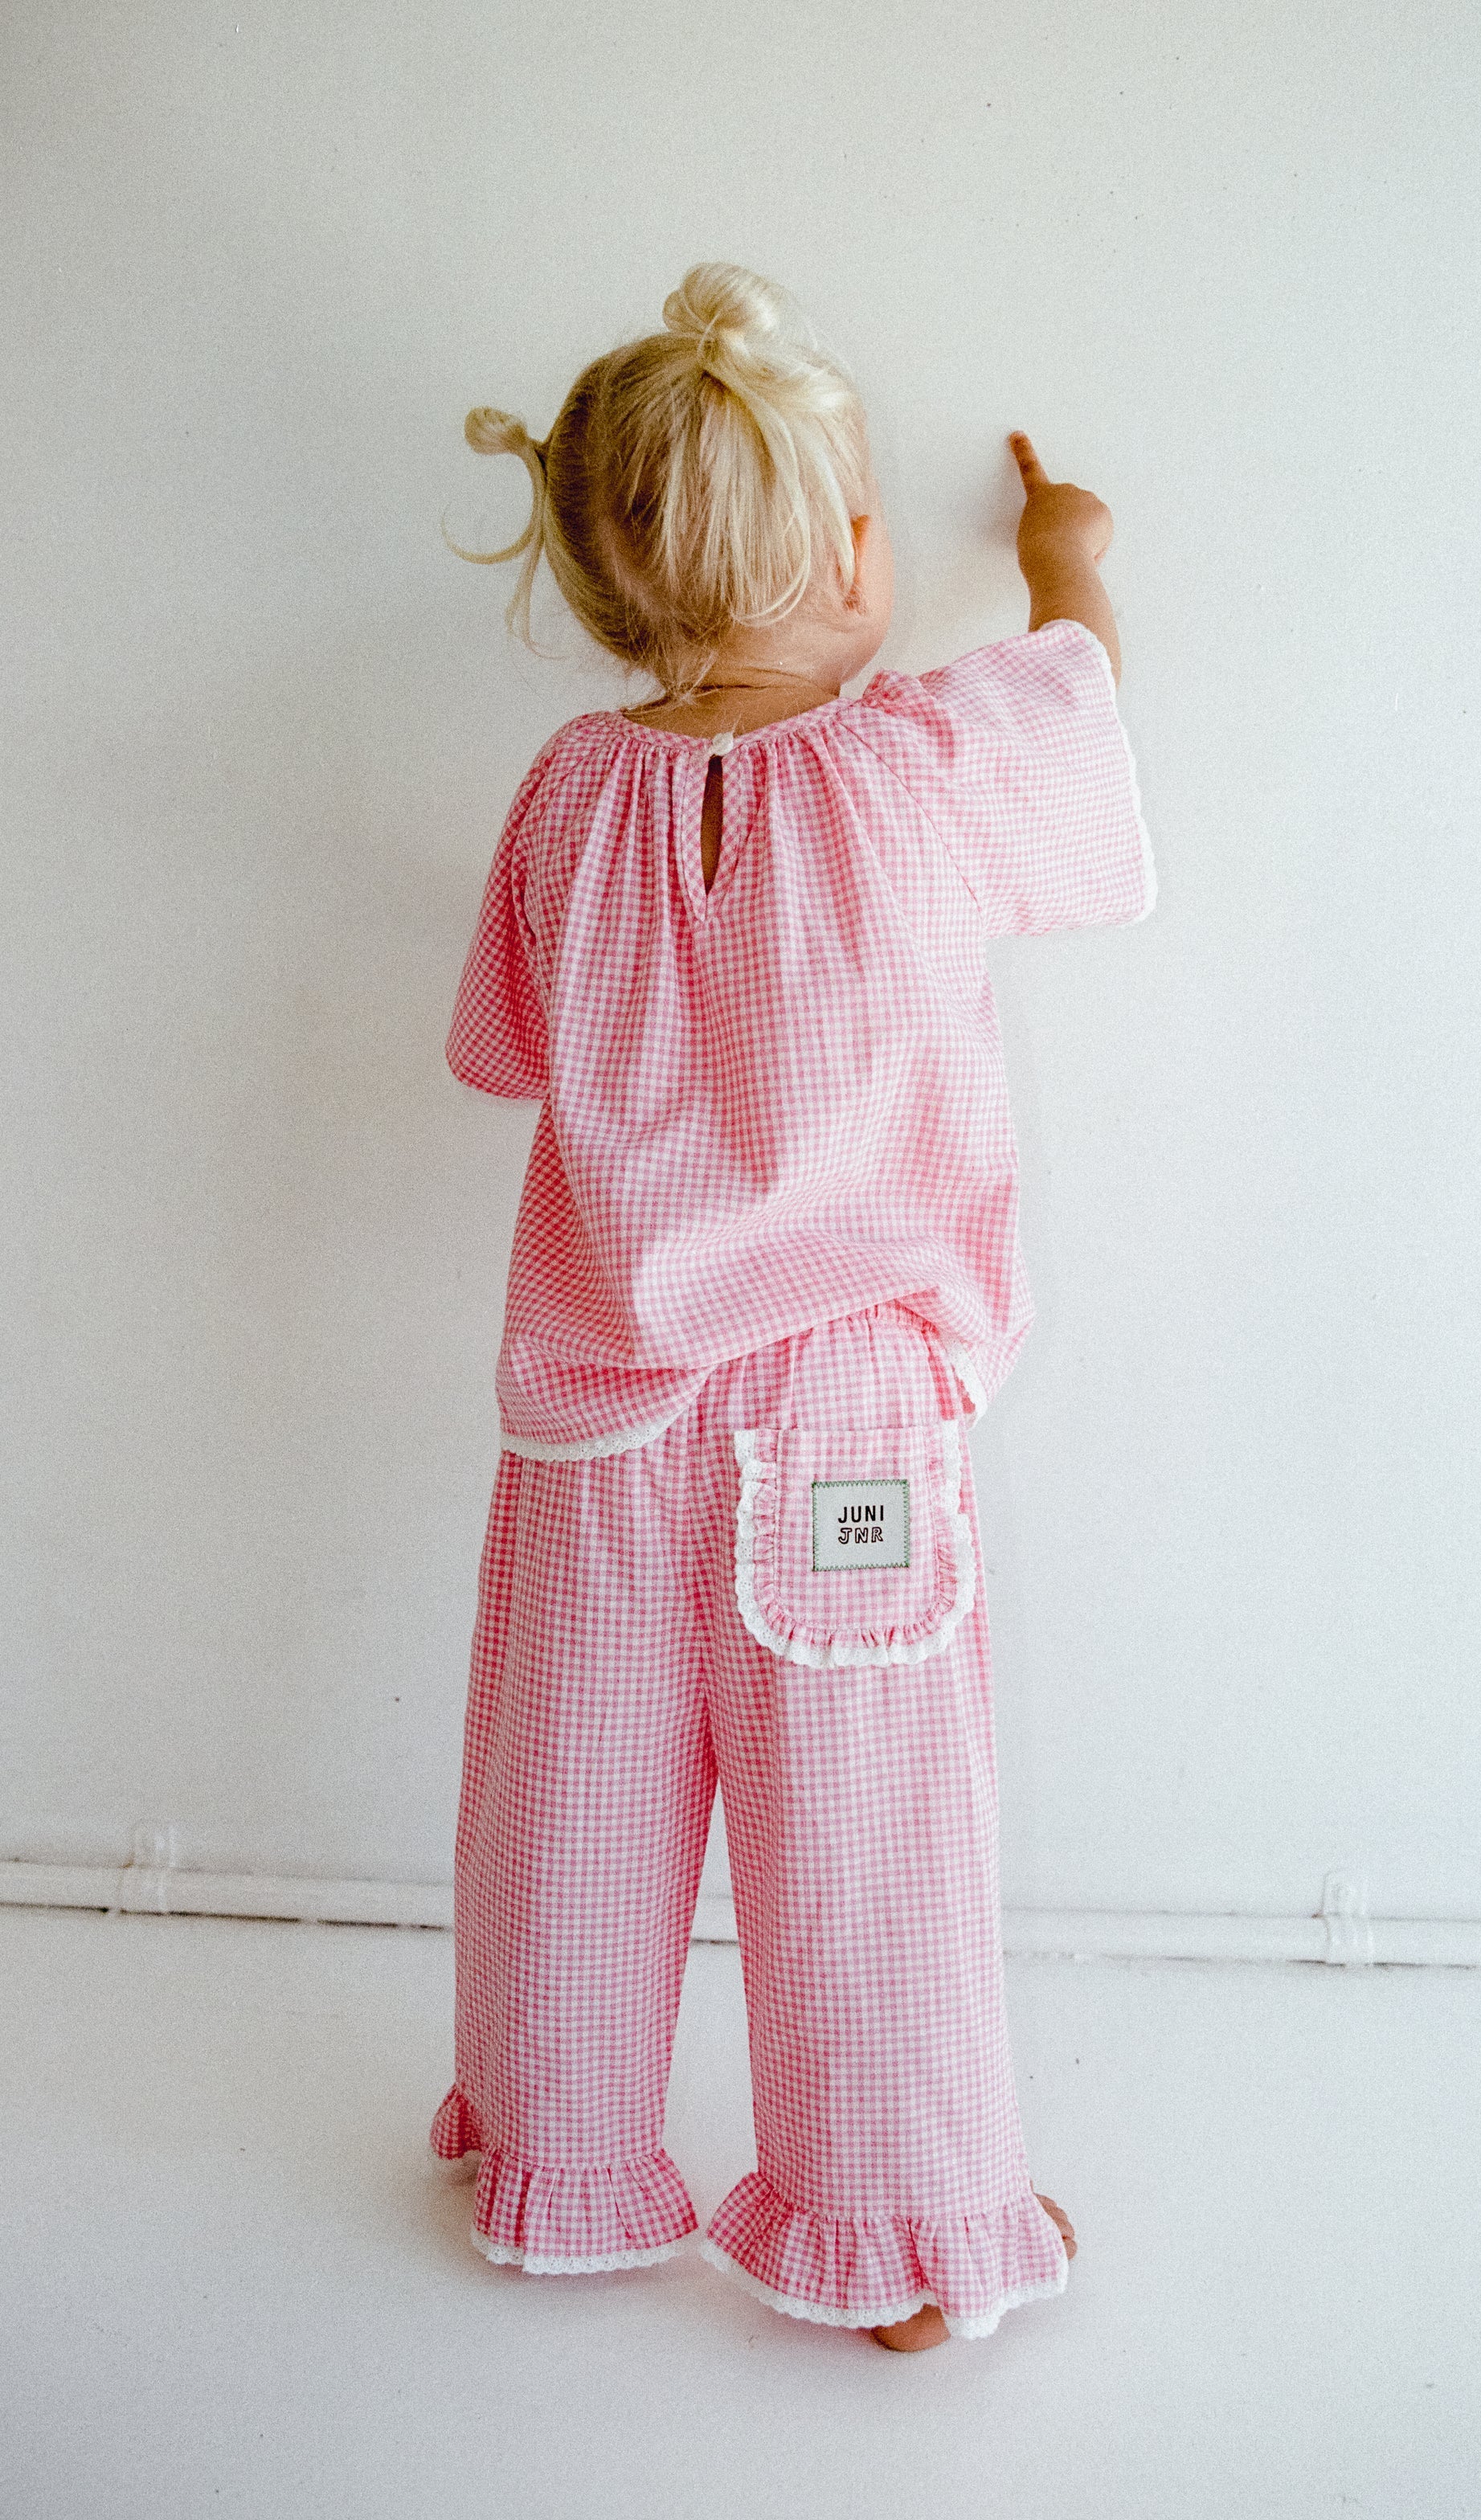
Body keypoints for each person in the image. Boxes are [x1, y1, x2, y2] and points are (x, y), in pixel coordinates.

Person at [428, 262, 1156, 2352]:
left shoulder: (568, 794)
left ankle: (556, 2159)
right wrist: (1068, 556)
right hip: (848, 1419)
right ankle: (904, 2228)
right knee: (866, 1833)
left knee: (570, 1800)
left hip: (598, 1413)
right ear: (851, 557)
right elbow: (1082, 706)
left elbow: (502, 1051)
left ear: (602, 584)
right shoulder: (922, 764)